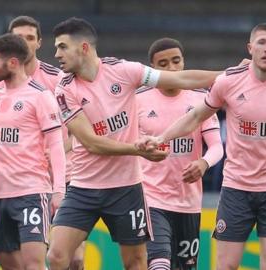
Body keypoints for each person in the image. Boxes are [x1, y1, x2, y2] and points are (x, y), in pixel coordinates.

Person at [136, 23, 266, 270]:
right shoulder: (229, 81)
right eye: (261, 42)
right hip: (236, 186)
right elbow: (195, 116)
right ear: (250, 48)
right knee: (226, 265)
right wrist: (161, 138)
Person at [46, 17, 222, 270]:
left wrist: (227, 76)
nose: (57, 54)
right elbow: (91, 142)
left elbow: (180, 80)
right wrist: (137, 149)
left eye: (62, 46)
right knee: (57, 256)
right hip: (84, 187)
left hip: (126, 189)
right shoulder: (64, 89)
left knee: (137, 263)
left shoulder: (124, 71)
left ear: (83, 47)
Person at [136, 38, 223, 270]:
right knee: (160, 259)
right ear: (153, 69)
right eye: (163, 64)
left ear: (184, 62)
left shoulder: (200, 99)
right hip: (150, 197)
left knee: (185, 266)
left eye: (176, 61)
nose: (171, 68)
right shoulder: (137, 100)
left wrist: (204, 163)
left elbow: (217, 146)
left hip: (188, 202)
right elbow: (128, 147)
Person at [0, 33, 65, 269]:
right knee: (8, 263)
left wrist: (58, 191)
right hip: (0, 195)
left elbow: (56, 144)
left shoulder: (39, 95)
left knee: (33, 263)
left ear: (13, 63)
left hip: (31, 191)